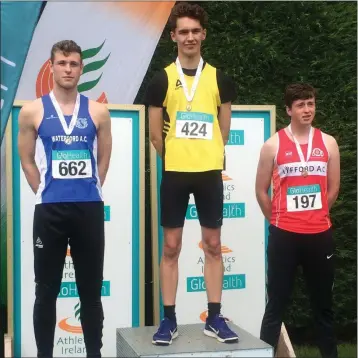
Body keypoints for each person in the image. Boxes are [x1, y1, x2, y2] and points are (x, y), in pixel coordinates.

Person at [145, 2, 238, 346]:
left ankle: (214, 317)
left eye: (195, 31)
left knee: (213, 245)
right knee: (171, 247)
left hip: (208, 173)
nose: (189, 37)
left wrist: (205, 155)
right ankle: (168, 321)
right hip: (175, 174)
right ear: (173, 36)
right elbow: (156, 135)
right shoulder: (162, 80)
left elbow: (223, 129)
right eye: (182, 31)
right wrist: (178, 158)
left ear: (203, 35)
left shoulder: (219, 79)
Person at [17, 40, 112, 358]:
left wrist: (92, 187)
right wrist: (43, 190)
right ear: (52, 66)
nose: (68, 69)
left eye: (73, 63)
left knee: (90, 291)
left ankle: (93, 354)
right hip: (50, 211)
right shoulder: (32, 110)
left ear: (81, 68)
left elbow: (104, 157)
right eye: (62, 63)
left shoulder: (98, 111)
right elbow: (26, 159)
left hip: (88, 209)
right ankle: (45, 353)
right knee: (46, 290)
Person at [256, 83, 340, 357]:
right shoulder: (273, 145)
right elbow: (261, 190)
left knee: (323, 306)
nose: (307, 110)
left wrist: (315, 215)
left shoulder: (328, 142)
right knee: (276, 307)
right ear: (289, 110)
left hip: (319, 235)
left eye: (311, 103)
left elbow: (333, 187)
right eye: (301, 105)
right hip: (285, 237)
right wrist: (279, 221)